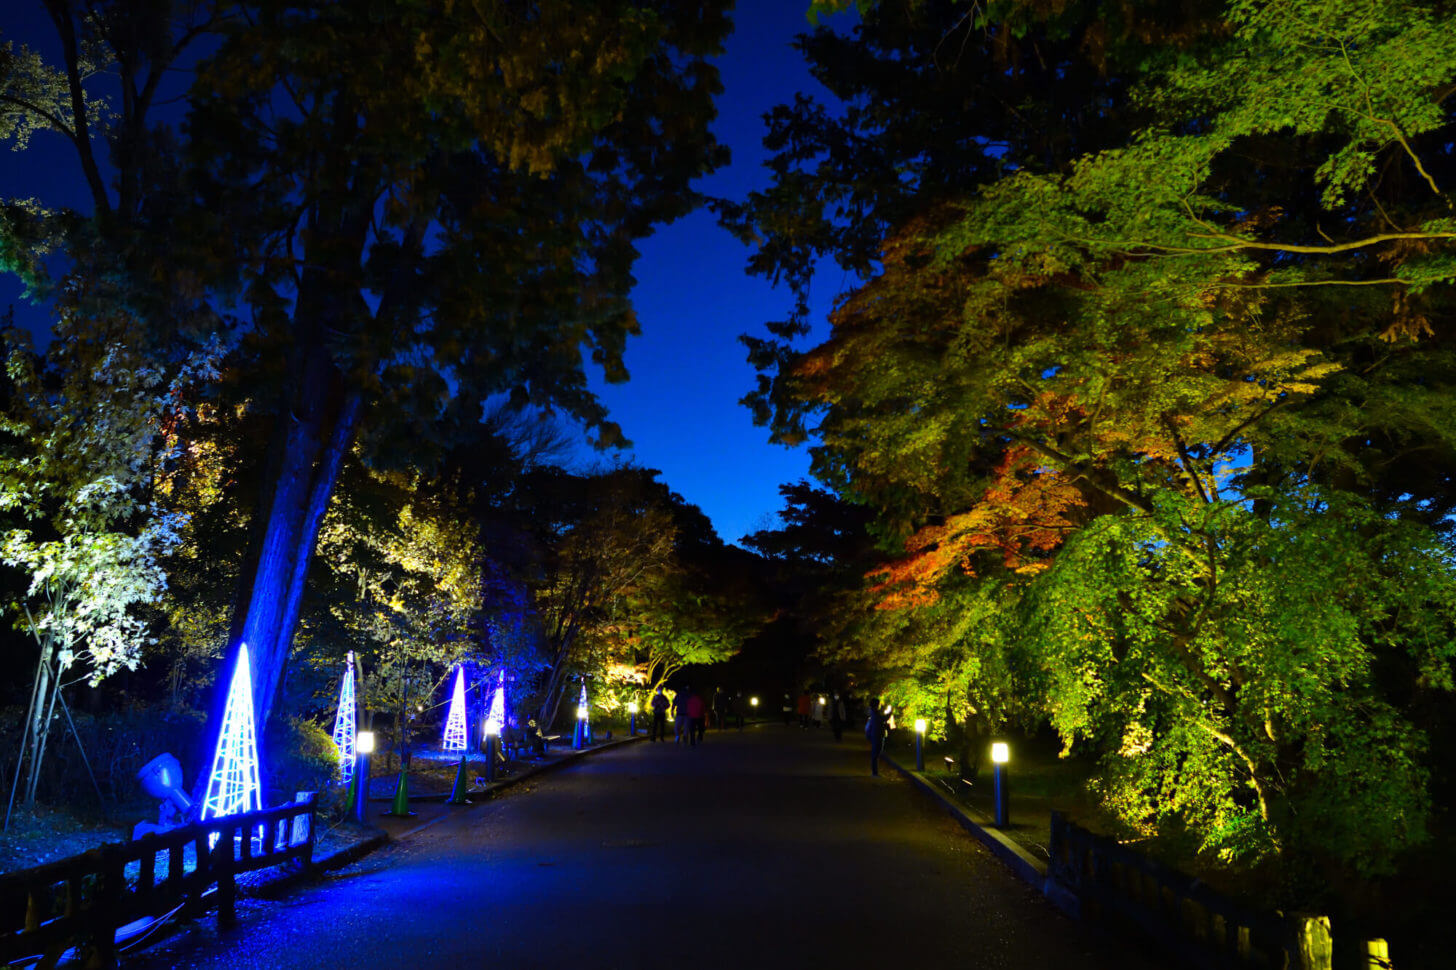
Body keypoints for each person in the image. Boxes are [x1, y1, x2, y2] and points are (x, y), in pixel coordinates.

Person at [866, 697, 888, 776]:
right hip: (876, 735)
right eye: (879, 704)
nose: (880, 705)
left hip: (875, 734)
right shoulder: (875, 713)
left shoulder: (874, 712)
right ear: (876, 705)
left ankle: (875, 772)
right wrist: (890, 713)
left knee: (876, 753)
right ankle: (874, 773)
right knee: (876, 754)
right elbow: (883, 719)